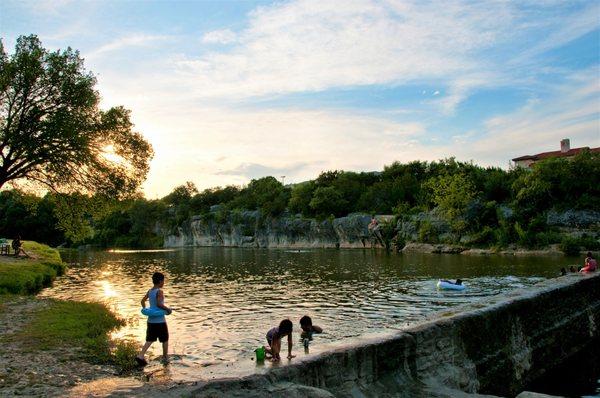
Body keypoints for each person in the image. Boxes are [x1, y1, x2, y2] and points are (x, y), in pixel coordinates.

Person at [136, 272, 172, 365]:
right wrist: (168, 310)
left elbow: (142, 301)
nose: (164, 283)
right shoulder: (159, 291)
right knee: (165, 339)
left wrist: (145, 309)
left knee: (150, 339)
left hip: (150, 320)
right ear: (160, 281)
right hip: (160, 321)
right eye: (163, 281)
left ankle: (141, 355)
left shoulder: (150, 291)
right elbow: (159, 304)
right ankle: (165, 358)